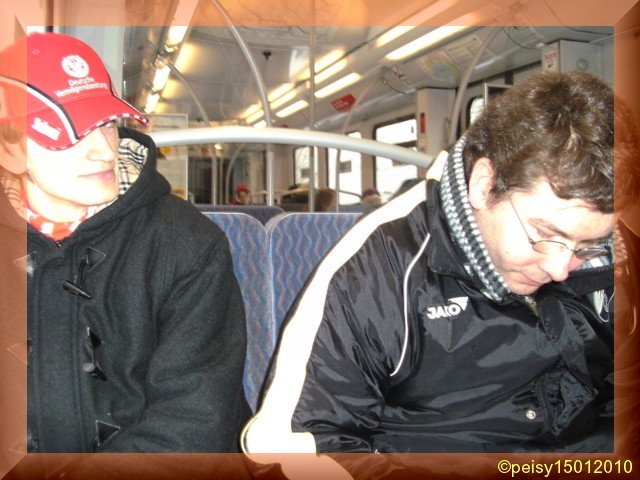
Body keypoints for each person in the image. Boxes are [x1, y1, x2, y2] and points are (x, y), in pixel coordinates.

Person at [241, 71, 617, 466]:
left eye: (588, 246)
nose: (560, 269)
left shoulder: (610, 255)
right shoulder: (377, 272)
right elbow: (298, 445)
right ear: (484, 185)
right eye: (543, 235)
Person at [0, 32, 249, 453]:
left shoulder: (185, 243)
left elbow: (194, 422)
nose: (103, 151)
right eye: (70, 133)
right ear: (9, 149)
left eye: (107, 124)